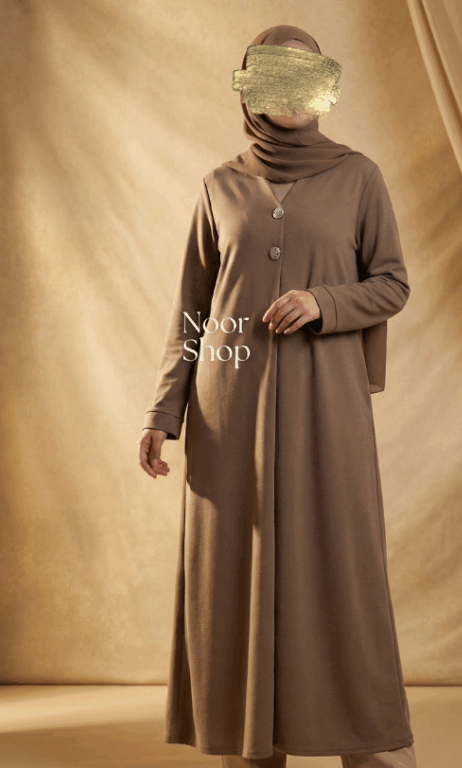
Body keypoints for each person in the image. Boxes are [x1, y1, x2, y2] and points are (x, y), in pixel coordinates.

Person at [138, 24, 417, 768]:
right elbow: (193, 311)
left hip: (328, 411)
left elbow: (392, 282)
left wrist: (325, 302)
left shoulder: (359, 177)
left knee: (340, 573)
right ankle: (250, 747)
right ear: (250, 87)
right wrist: (163, 412)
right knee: (234, 579)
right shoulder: (219, 186)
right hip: (227, 415)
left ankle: (366, 742)